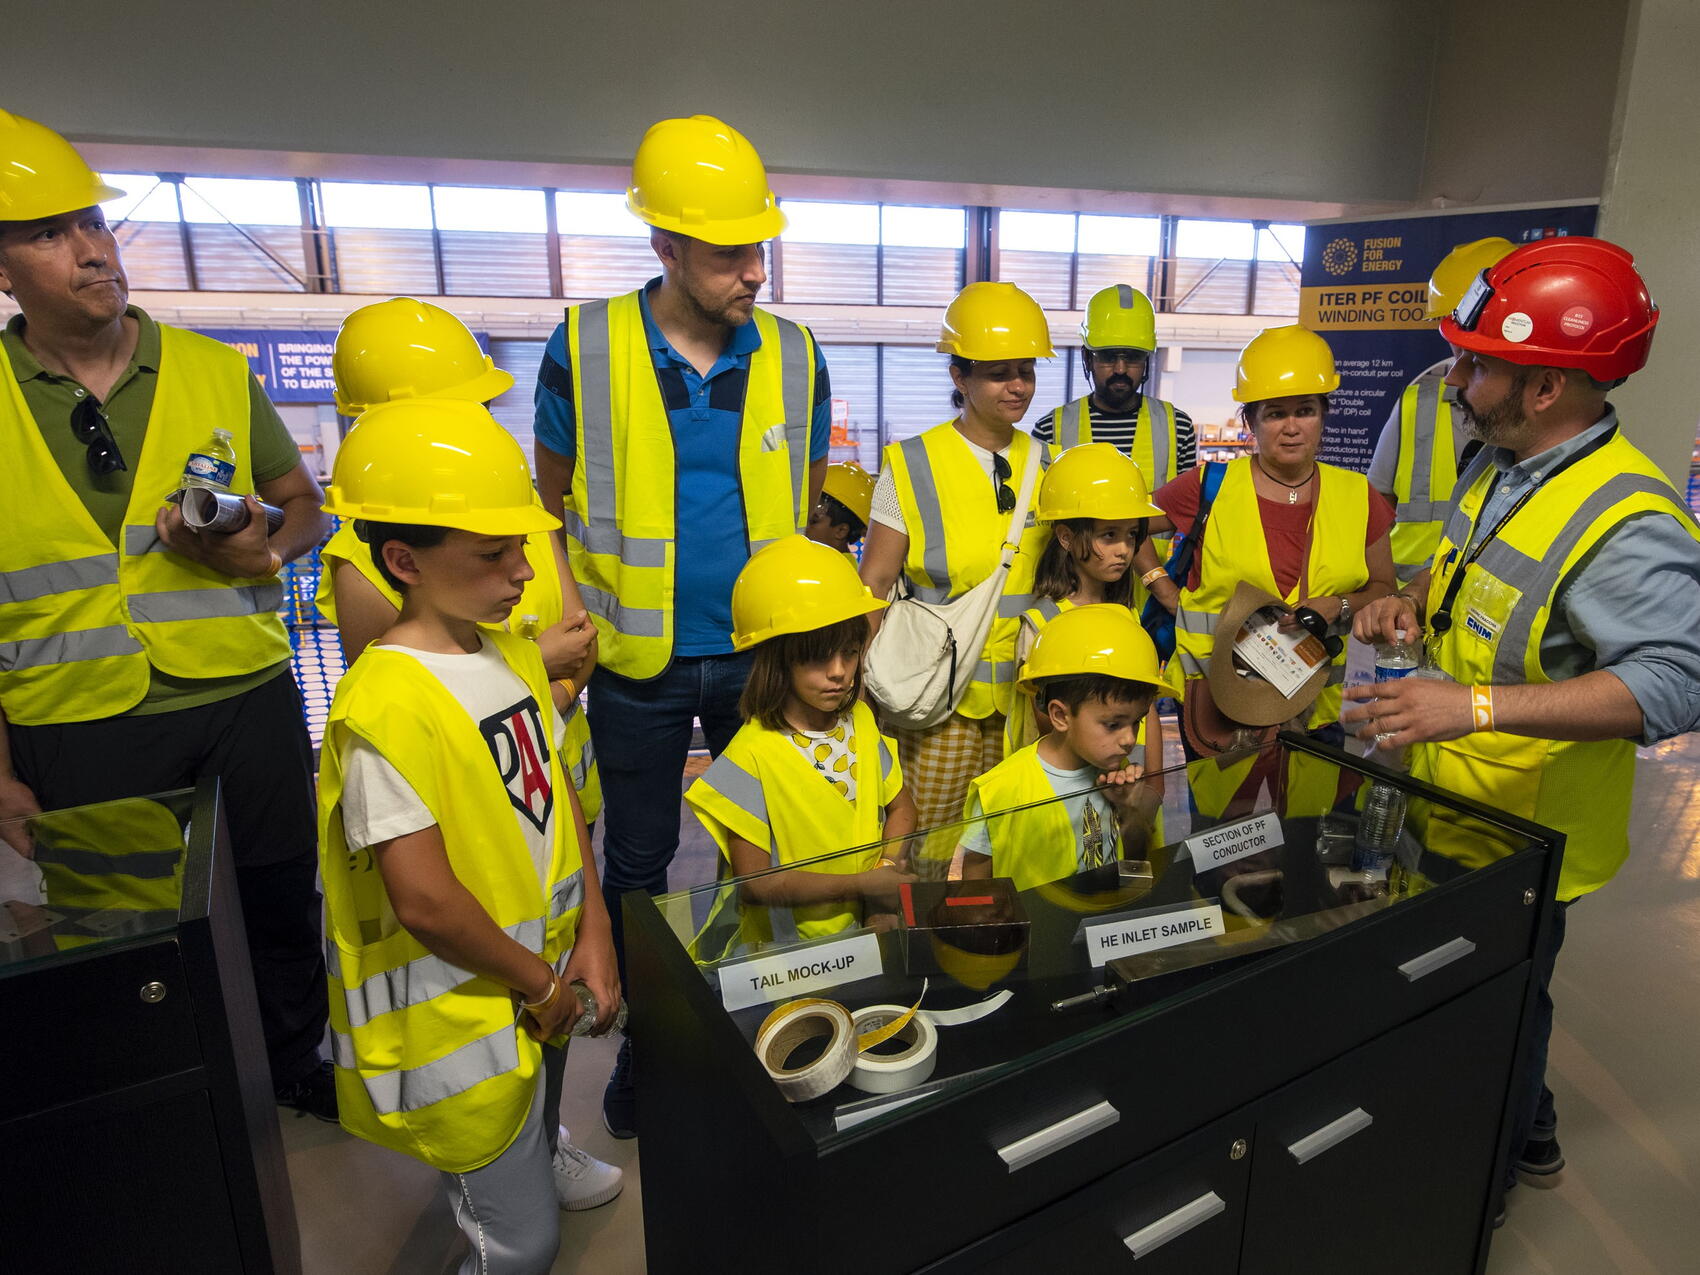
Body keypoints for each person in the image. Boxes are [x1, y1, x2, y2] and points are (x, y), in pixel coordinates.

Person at [1344, 236, 1700, 1223]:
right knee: (1496, 994)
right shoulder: (1503, 465)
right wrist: (1410, 601)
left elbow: (1677, 682)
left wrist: (1470, 708)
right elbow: (1482, 579)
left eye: (1475, 365)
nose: (1457, 383)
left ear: (1544, 388)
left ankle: (1479, 1185)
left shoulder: (1629, 520)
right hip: (1452, 800)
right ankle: (1529, 1125)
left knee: (1494, 1014)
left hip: (1521, 832)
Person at [0, 111, 335, 1118]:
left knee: (280, 896)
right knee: (120, 930)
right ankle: (165, 1093)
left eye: (94, 223)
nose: (92, 249)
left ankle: (291, 1063)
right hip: (77, 720)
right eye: (50, 233)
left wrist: (264, 548)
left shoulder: (213, 370)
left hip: (242, 697)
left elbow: (306, 506)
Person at [530, 114, 831, 1138]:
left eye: (760, 248)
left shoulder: (796, 353)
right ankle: (651, 1048)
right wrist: (569, 618)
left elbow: (803, 502)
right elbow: (547, 504)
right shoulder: (584, 344)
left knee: (775, 851)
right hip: (636, 666)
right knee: (638, 864)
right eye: (728, 253)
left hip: (759, 660)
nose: (755, 271)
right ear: (663, 245)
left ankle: (775, 1022)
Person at [318, 399, 624, 1274]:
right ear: (403, 560)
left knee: (532, 1128)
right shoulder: (385, 706)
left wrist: (595, 930)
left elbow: (555, 797)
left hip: (535, 986)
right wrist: (540, 982)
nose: (524, 571)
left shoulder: (512, 655)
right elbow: (422, 898)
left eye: (522, 545)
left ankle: (537, 1161)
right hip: (464, 1018)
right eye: (493, 554)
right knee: (520, 1244)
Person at [320, 297, 601, 828]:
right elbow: (413, 724)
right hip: (479, 823)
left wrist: (546, 691)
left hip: (560, 807)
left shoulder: (516, 511)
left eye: (481, 409)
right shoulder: (363, 562)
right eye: (463, 412)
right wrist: (533, 669)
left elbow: (582, 641)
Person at [1152, 324, 1395, 810]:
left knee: (1309, 830)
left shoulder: (1357, 496)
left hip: (1317, 709)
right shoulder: (1209, 486)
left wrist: (1340, 604)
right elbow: (1130, 526)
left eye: (1305, 410)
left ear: (1324, 415)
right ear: (1250, 421)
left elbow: (1384, 587)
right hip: (1222, 703)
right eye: (1275, 413)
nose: (1291, 426)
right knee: (1224, 835)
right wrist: (1160, 585)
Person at [859, 281, 1054, 839]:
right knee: (929, 848)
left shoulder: (1052, 464)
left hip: (1030, 698)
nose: (1018, 386)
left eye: (1026, 371)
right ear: (959, 376)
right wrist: (857, 692)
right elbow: (874, 583)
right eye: (998, 373)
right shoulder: (910, 464)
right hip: (937, 700)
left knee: (1016, 845)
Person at [685, 536, 916, 954]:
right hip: (787, 956)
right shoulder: (748, 756)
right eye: (818, 657)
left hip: (865, 936)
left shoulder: (862, 721)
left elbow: (901, 808)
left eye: (850, 653)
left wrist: (883, 878)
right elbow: (756, 883)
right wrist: (865, 885)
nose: (840, 672)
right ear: (777, 658)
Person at [961, 605, 1162, 890]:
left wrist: (1130, 810)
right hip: (1038, 918)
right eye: (1113, 724)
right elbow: (977, 871)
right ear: (1060, 716)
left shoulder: (1120, 778)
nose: (1129, 739)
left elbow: (1137, 860)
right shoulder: (1000, 790)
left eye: (1136, 722)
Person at [1031, 284, 1195, 614]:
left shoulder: (1177, 426)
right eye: (1107, 357)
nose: (1120, 369)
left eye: (1132, 357)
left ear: (1147, 360)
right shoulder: (1051, 428)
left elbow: (1187, 516)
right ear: (1087, 358)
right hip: (1074, 603)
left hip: (1155, 606)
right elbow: (1044, 529)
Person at [1006, 442, 1164, 765]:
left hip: (1129, 782)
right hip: (1074, 789)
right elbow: (1049, 727)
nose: (1124, 549)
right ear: (1066, 537)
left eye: (1131, 534)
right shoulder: (1041, 625)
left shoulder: (1127, 616)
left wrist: (1153, 782)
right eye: (1109, 535)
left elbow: (1148, 710)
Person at [1366, 238, 1514, 581]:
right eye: (1452, 326)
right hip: (1404, 598)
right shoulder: (1417, 403)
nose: (1461, 342)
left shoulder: (1541, 420)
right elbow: (1375, 506)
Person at [805, 460, 875, 563]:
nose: (804, 527)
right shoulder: (828, 561)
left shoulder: (829, 566)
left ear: (841, 531)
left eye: (813, 521)